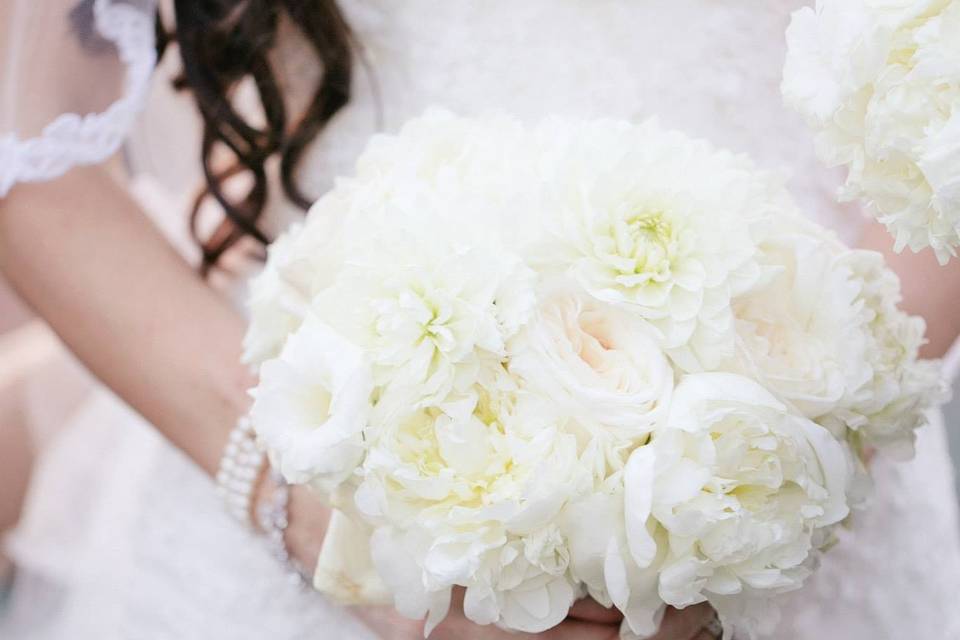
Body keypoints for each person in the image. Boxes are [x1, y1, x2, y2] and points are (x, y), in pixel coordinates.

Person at [1, 1, 959, 639]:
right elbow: (22, 145)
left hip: (801, 508)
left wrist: (796, 460)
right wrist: (312, 514)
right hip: (323, 485)